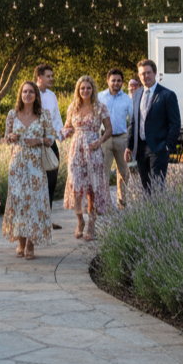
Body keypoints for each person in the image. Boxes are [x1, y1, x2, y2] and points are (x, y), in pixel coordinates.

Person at [2, 80, 55, 259]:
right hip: (17, 165)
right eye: (25, 92)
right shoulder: (12, 114)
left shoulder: (44, 115)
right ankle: (21, 241)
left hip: (36, 165)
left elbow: (51, 139)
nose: (27, 95)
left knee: (34, 202)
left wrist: (38, 140)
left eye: (31, 92)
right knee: (19, 202)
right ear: (20, 94)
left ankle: (31, 242)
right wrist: (10, 137)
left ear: (36, 95)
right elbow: (6, 138)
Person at [63, 75, 113, 240]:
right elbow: (68, 127)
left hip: (93, 150)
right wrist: (62, 133)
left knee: (92, 188)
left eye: (88, 88)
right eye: (82, 88)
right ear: (78, 90)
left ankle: (91, 223)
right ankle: (80, 220)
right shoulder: (73, 107)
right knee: (76, 187)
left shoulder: (100, 107)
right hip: (76, 151)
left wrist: (99, 141)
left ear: (93, 89)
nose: (85, 91)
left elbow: (109, 130)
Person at [126, 59, 181, 193]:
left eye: (148, 73)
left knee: (157, 187)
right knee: (145, 187)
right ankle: (148, 207)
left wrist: (167, 146)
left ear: (155, 73)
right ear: (139, 76)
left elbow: (175, 123)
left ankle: (159, 207)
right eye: (142, 74)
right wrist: (129, 146)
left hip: (159, 148)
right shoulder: (136, 94)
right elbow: (134, 122)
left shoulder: (167, 95)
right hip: (140, 149)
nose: (145, 76)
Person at [97, 68, 132, 208]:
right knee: (103, 172)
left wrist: (130, 139)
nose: (116, 83)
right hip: (104, 138)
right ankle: (105, 204)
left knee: (124, 172)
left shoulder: (127, 99)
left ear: (122, 82)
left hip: (121, 138)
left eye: (119, 81)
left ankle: (122, 203)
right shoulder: (100, 97)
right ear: (108, 81)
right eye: (113, 80)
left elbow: (132, 119)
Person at [35, 64, 64, 230]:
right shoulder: (31, 93)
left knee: (51, 181)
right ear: (39, 78)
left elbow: (57, 118)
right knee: (37, 182)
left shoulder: (52, 96)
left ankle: (47, 218)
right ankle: (35, 219)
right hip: (35, 144)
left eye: (52, 76)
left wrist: (61, 134)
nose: (51, 79)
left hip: (51, 143)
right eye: (48, 76)